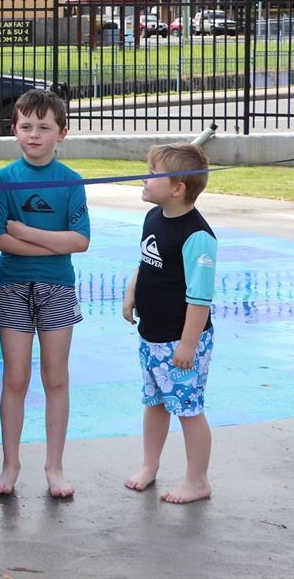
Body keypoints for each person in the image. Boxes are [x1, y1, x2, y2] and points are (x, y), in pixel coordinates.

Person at [0, 89, 90, 499]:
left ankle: (54, 466)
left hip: (57, 287)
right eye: (26, 127)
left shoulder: (71, 181)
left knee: (56, 377)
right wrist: (53, 241)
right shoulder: (4, 179)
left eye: (43, 128)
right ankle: (10, 463)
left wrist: (27, 232)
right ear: (14, 130)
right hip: (14, 285)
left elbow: (80, 241)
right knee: (15, 377)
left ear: (61, 133)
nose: (34, 135)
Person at [122, 142, 218, 505]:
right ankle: (150, 465)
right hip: (152, 337)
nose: (144, 178)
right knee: (155, 403)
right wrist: (132, 292)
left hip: (181, 343)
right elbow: (147, 261)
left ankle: (197, 480)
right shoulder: (154, 217)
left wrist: (188, 345)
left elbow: (200, 298)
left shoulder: (198, 237)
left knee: (189, 410)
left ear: (178, 188)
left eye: (152, 173)